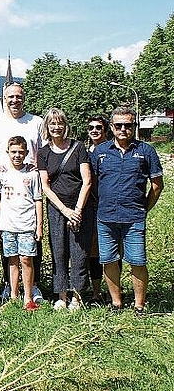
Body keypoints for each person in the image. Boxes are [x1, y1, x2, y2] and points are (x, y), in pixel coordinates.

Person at [91, 106, 164, 313]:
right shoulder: (100, 152)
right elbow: (92, 183)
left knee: (137, 261)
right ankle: (116, 302)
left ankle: (139, 305)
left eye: (128, 125)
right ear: (112, 127)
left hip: (134, 218)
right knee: (109, 260)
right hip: (105, 217)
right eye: (119, 125)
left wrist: (144, 209)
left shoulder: (146, 151)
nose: (123, 129)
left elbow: (157, 185)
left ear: (134, 126)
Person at [0, 82, 45, 302]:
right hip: (7, 188)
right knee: (8, 248)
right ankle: (9, 287)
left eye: (18, 96)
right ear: (4, 98)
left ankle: (33, 286)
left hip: (29, 185)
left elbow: (43, 153)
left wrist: (38, 170)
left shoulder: (36, 122)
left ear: (24, 98)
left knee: (31, 245)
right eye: (10, 97)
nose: (14, 100)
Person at [37, 108, 91, 311]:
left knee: (79, 253)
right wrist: (64, 210)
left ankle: (77, 296)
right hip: (56, 208)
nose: (56, 127)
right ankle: (61, 295)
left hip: (80, 207)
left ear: (65, 125)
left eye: (60, 123)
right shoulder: (43, 152)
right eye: (52, 123)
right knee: (58, 252)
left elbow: (87, 180)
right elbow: (45, 186)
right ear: (47, 127)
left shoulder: (78, 147)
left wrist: (76, 209)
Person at [0, 136, 43, 310]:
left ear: (27, 153)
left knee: (26, 259)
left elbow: (38, 200)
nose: (17, 156)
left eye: (21, 152)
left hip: (27, 225)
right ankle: (14, 295)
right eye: (13, 152)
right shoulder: (1, 174)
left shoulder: (32, 174)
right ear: (7, 153)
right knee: (12, 260)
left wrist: (40, 225)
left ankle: (28, 296)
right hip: (7, 225)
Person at [85, 115, 110, 303]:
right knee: (93, 250)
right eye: (91, 127)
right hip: (90, 206)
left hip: (108, 206)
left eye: (98, 128)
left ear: (105, 130)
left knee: (111, 249)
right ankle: (95, 291)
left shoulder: (111, 150)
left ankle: (112, 290)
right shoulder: (85, 152)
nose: (94, 130)